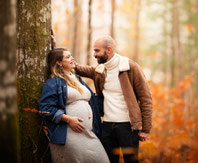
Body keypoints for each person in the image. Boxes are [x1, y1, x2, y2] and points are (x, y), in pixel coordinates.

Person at [74, 35, 153, 163]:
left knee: (131, 161)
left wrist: (145, 129)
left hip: (128, 126)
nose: (94, 54)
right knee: (108, 161)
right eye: (94, 50)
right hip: (107, 126)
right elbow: (76, 68)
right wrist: (55, 49)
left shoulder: (130, 67)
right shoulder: (100, 70)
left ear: (109, 49)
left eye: (97, 51)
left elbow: (146, 98)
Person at [39, 48, 109, 163]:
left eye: (71, 56)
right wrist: (68, 119)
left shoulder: (77, 79)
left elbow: (93, 102)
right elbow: (45, 109)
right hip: (68, 135)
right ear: (58, 62)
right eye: (67, 57)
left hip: (88, 133)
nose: (72, 58)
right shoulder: (53, 82)